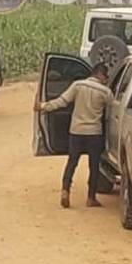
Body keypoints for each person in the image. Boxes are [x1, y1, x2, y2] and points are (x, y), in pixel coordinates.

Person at [34, 62, 114, 209]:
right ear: (101, 75)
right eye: (106, 77)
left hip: (76, 131)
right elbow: (113, 110)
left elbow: (62, 101)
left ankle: (65, 190)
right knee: (94, 165)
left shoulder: (78, 85)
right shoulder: (105, 92)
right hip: (94, 133)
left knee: (72, 162)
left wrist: (44, 106)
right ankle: (91, 198)